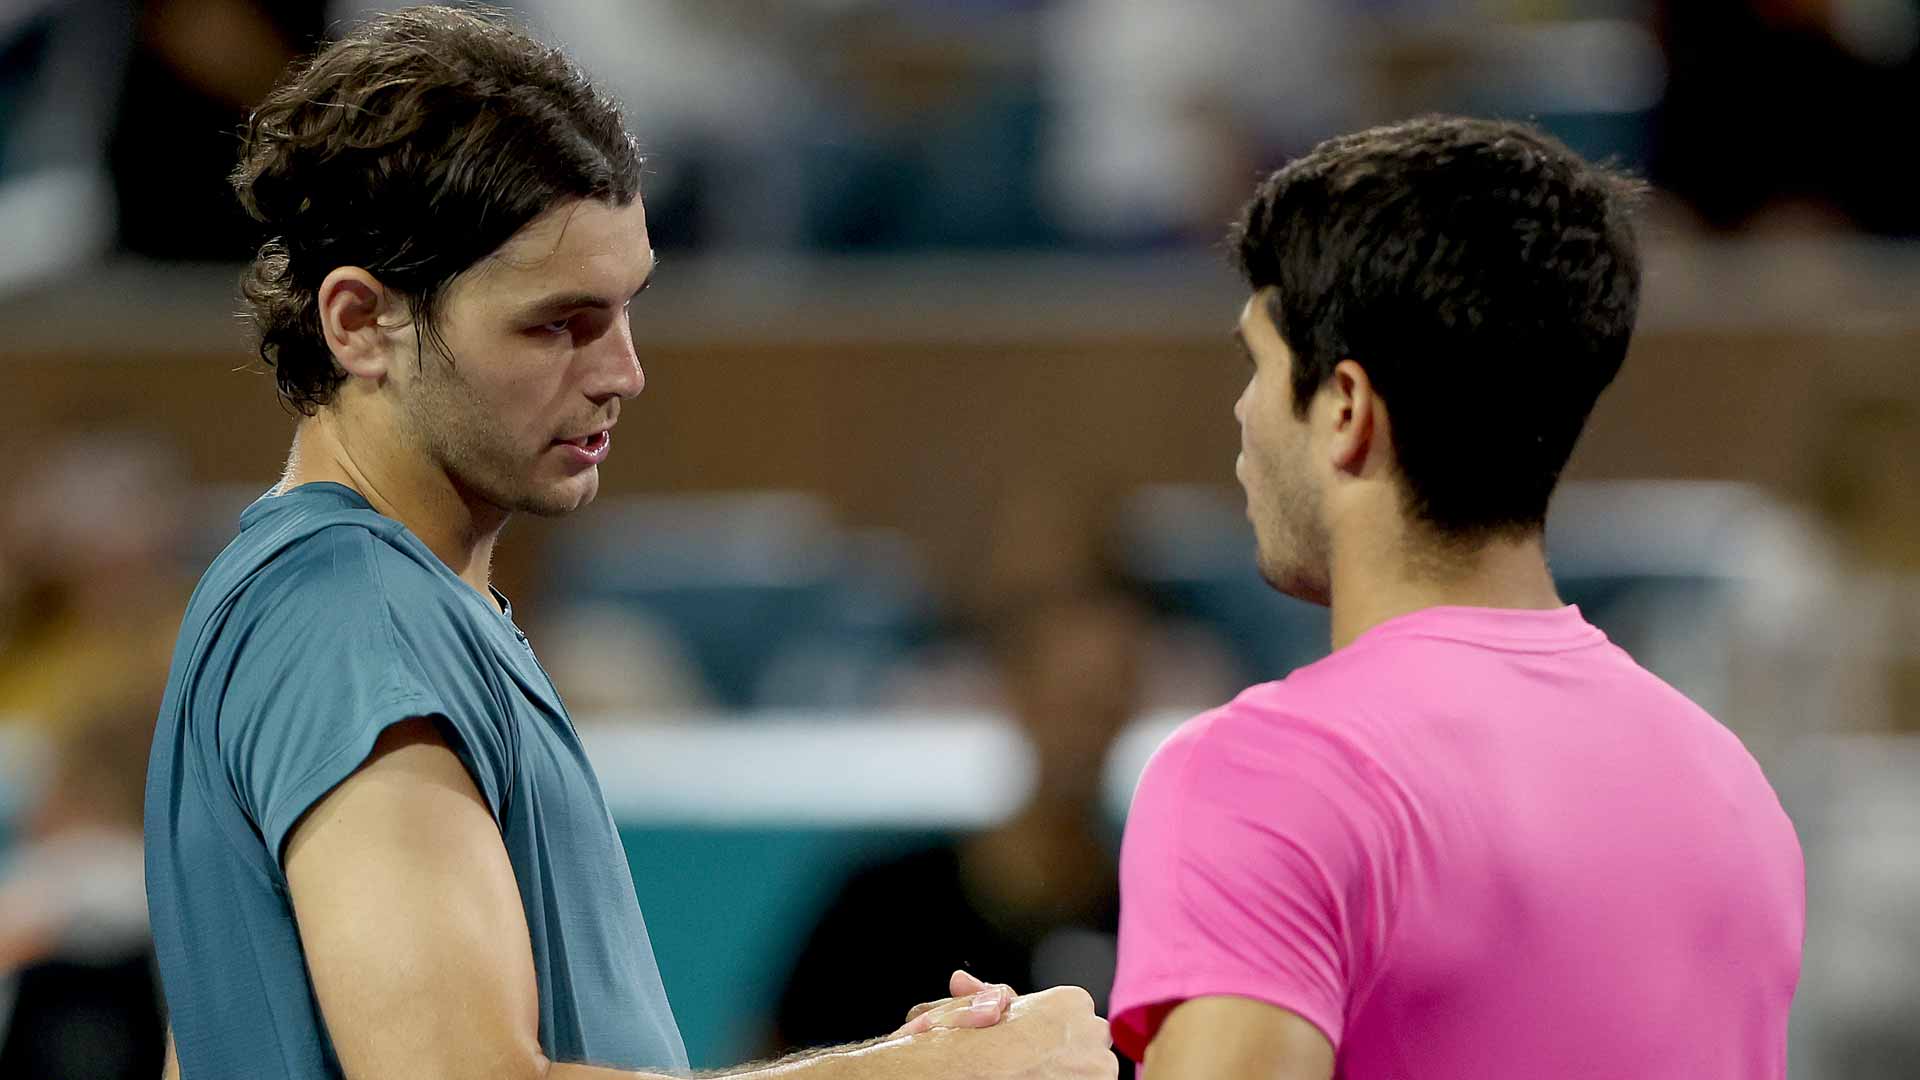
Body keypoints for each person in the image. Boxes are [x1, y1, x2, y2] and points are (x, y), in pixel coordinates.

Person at [143, 8, 1114, 1079]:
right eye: (558, 322)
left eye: (625, 309)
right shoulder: (351, 624)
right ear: (361, 321)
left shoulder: (355, 605)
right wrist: (923, 1076)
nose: (623, 372)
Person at [1106, 116, 1804, 1078]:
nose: (1241, 412)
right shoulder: (1729, 788)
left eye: (1256, 367)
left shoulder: (1264, 777)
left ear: (1345, 410)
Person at [778, 584, 1148, 1077]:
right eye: (1065, 698)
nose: (1080, 727)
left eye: (1102, 701)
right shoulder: (879, 905)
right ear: (1015, 691)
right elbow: (775, 1054)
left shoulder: (1148, 913)